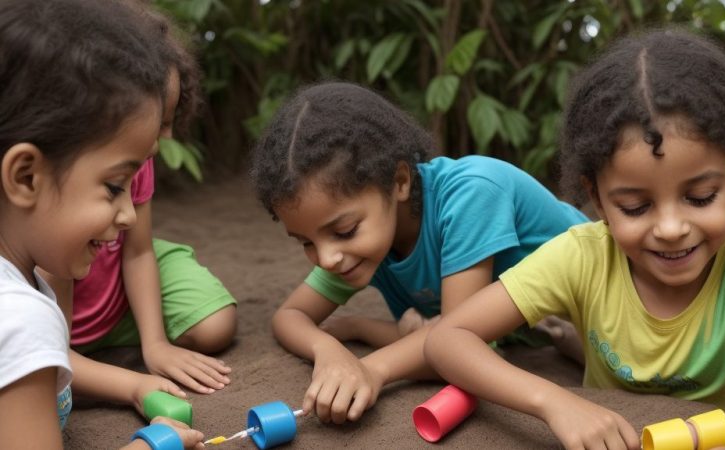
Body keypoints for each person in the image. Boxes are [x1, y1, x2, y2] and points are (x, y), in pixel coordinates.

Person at [425, 28, 725, 449]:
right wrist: (554, 402)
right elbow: (448, 338)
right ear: (597, 198)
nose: (670, 228)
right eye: (635, 207)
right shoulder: (582, 256)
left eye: (700, 197)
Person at [249, 81, 588, 424]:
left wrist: (370, 369)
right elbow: (289, 316)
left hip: (610, 304)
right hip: (518, 328)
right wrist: (330, 351)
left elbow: (458, 345)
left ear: (398, 182)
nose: (327, 258)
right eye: (306, 242)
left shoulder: (471, 194)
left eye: (344, 231)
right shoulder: (365, 246)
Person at [0, 0, 206, 448]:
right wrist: (150, 446)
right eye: (114, 186)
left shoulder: (24, 282)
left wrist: (133, 385)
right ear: (25, 177)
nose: (129, 214)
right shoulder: (20, 317)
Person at [41, 3, 237, 402]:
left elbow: (138, 250)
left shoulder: (138, 162)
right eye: (156, 121)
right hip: (64, 311)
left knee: (216, 326)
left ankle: (116, 345)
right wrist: (132, 387)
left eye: (169, 120)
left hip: (117, 283)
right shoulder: (49, 223)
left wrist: (156, 344)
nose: (164, 139)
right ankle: (94, 359)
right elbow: (49, 360)